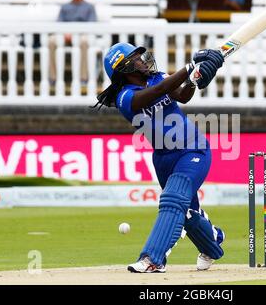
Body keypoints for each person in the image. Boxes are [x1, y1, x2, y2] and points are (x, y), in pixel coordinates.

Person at [93, 43, 225, 273]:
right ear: (124, 70)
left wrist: (194, 80)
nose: (143, 61)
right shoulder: (126, 97)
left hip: (193, 149)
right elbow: (156, 93)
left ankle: (153, 259)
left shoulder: (158, 77)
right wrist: (190, 66)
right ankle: (213, 241)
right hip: (164, 159)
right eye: (136, 59)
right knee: (187, 213)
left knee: (173, 199)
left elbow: (182, 95)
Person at [49, 0, 97, 85]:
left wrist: (75, 33)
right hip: (65, 35)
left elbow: (91, 26)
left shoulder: (89, 7)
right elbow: (59, 24)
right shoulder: (64, 7)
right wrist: (66, 33)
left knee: (84, 42)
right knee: (51, 41)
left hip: (81, 35)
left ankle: (83, 78)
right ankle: (53, 78)